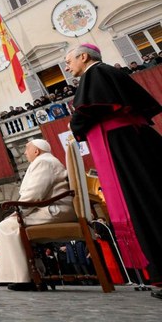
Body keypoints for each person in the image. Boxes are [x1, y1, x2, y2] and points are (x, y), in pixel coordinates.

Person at [65, 43, 162, 299]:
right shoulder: (108, 73)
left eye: (69, 61)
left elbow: (87, 112)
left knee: (142, 202)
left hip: (121, 143)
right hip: (132, 140)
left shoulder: (95, 74)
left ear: (83, 57)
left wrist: (73, 123)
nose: (67, 67)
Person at [0, 139, 75, 291]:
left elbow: (34, 194)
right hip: (54, 207)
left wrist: (17, 213)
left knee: (7, 226)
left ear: (36, 151)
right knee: (11, 225)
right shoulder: (49, 161)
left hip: (55, 209)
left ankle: (25, 278)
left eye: (27, 149)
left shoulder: (43, 162)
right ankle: (35, 273)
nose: (25, 153)